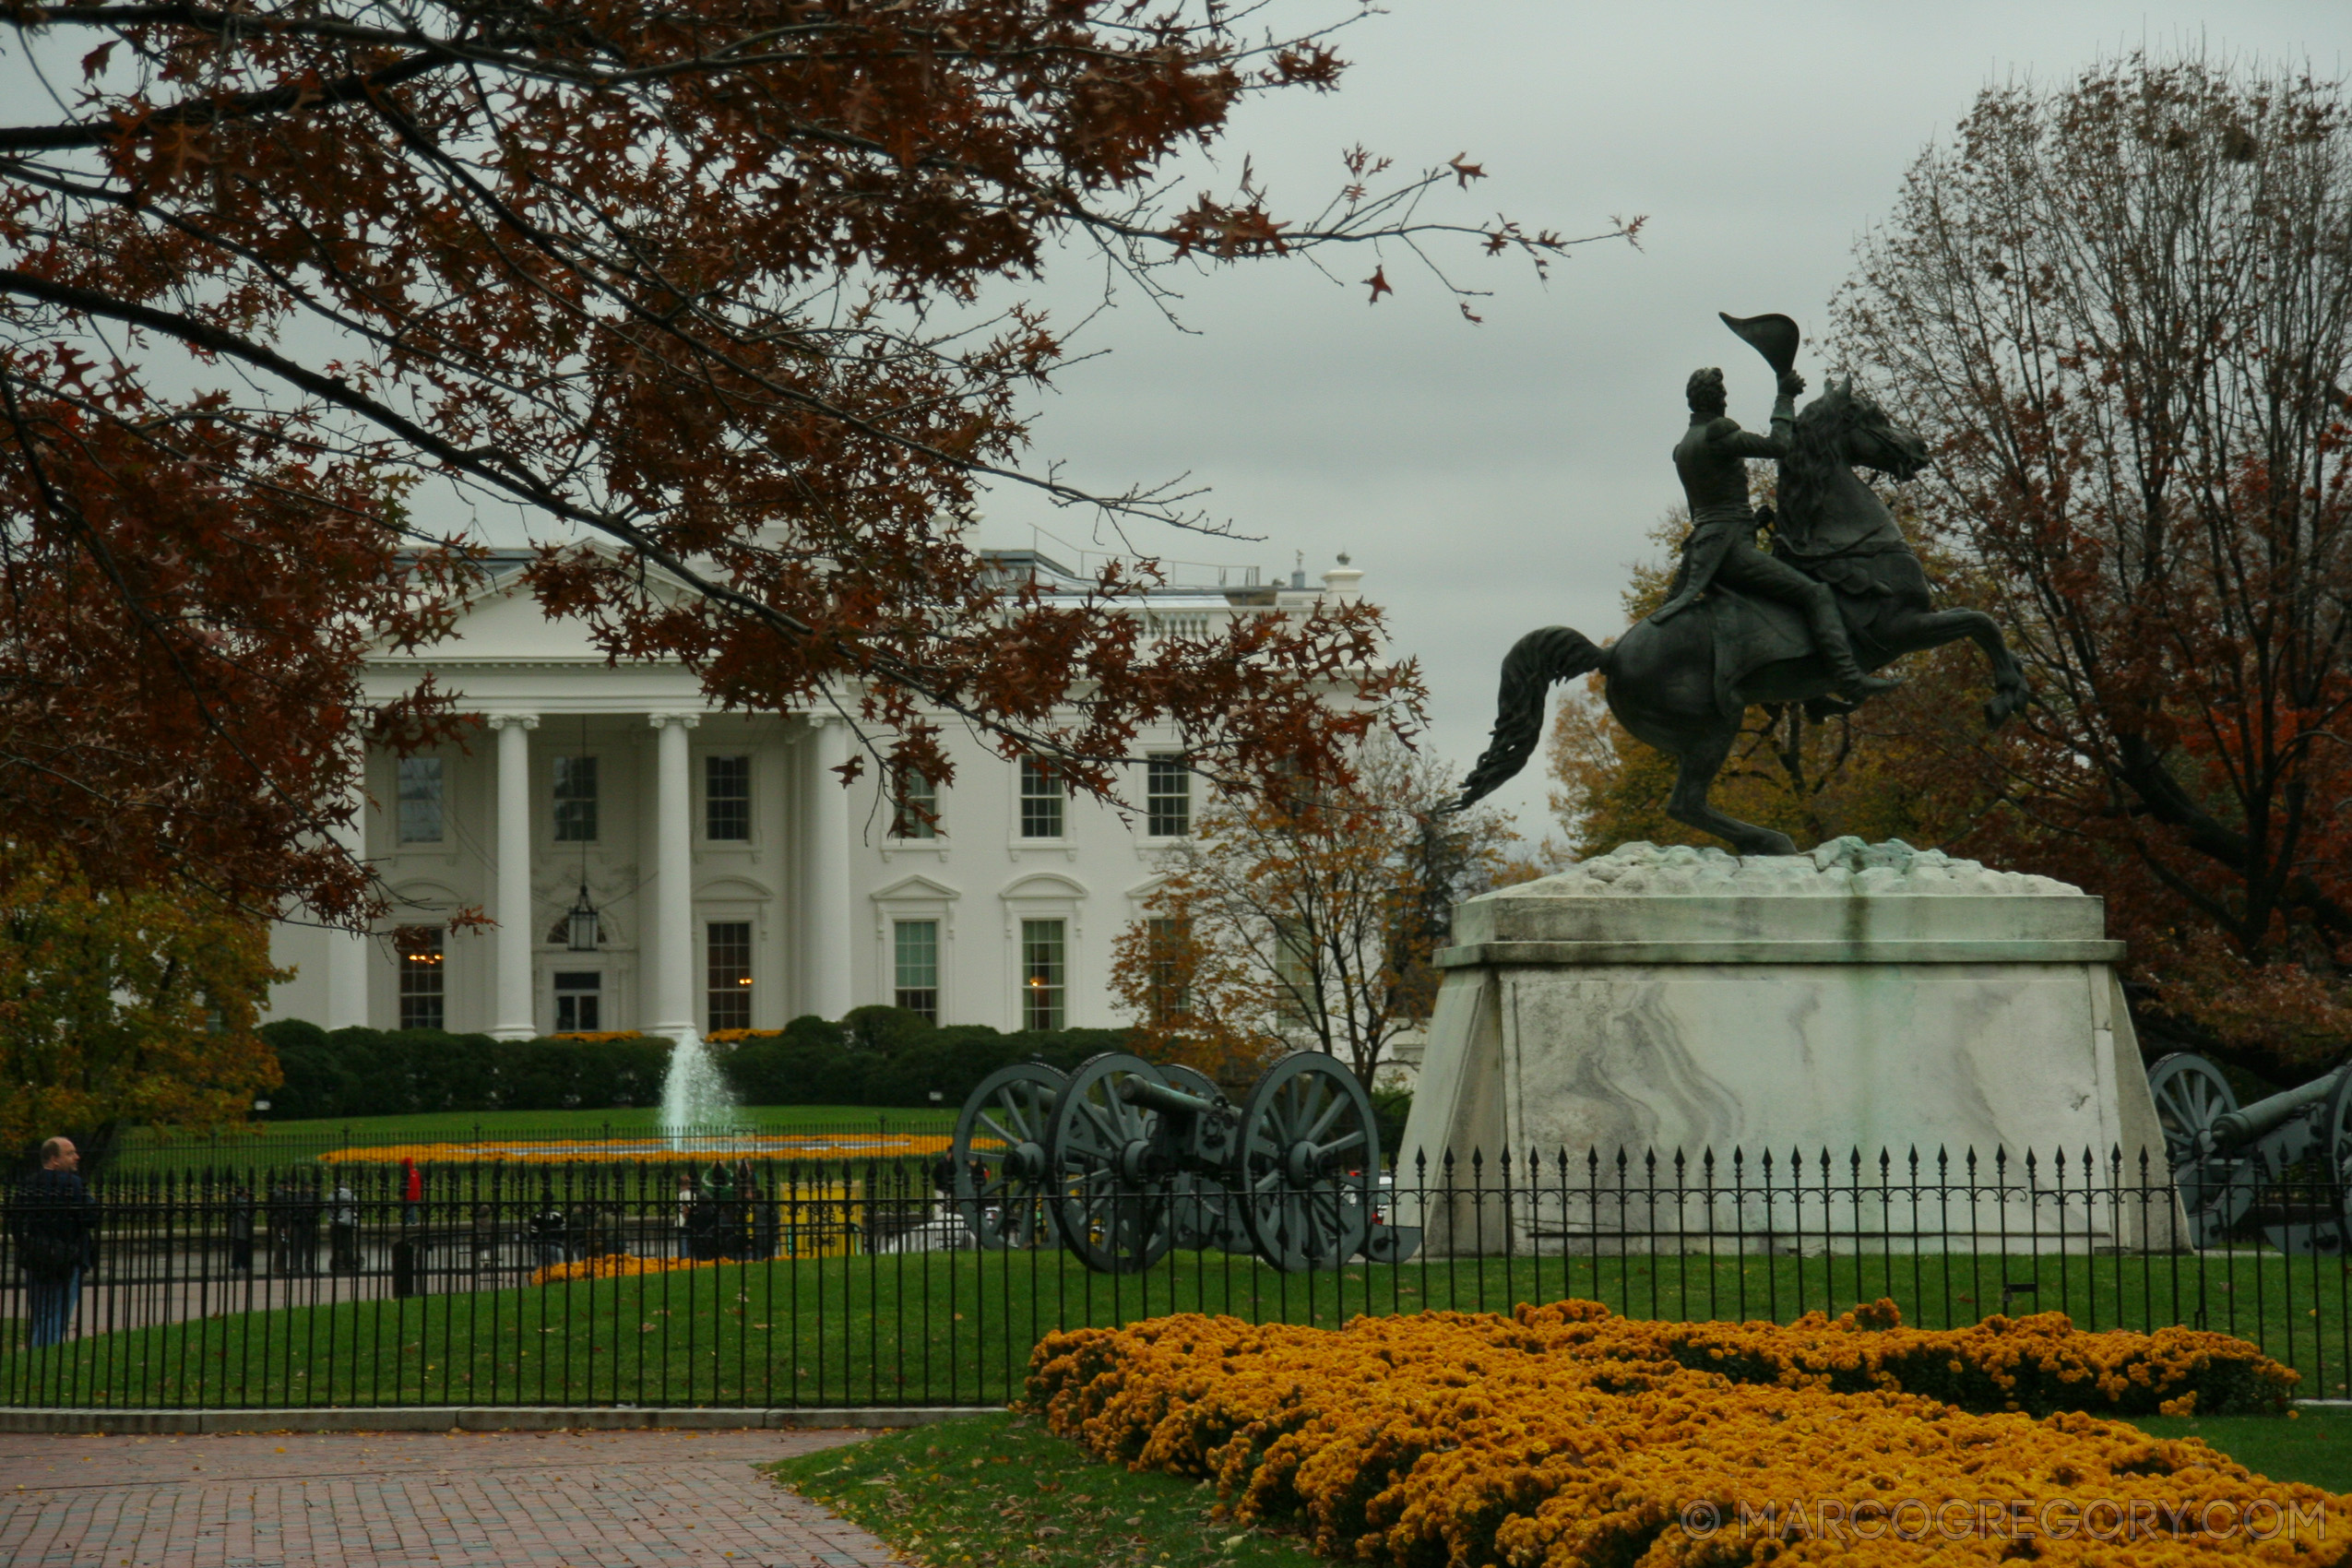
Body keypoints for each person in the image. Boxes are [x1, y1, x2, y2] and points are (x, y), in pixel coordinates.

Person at [1648, 365, 1901, 703]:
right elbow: (1779, 445)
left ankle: (1809, 691)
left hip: (1708, 547)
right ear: (1719, 400)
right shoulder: (1717, 434)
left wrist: (1751, 522)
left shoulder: (1683, 449)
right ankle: (1848, 679)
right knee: (1816, 594)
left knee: (1782, 598)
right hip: (1731, 551)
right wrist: (1785, 397)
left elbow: (1703, 513)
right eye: (1723, 395)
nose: (1725, 401)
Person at [12, 1136, 92, 1349]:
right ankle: (42, 1361)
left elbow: (15, 1222)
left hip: (36, 1259)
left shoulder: (28, 1184)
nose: (77, 1157)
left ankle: (35, 1357)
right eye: (70, 1153)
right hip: (66, 1259)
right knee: (56, 1316)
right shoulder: (73, 1184)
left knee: (41, 1315)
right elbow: (92, 1217)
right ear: (54, 1159)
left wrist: (27, 1247)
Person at [328, 1182, 361, 1275]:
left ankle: (337, 1263)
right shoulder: (351, 1196)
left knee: (336, 1245)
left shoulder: (332, 1195)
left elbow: (328, 1208)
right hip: (348, 1223)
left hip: (335, 1222)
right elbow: (356, 1208)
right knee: (348, 1244)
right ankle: (349, 1263)